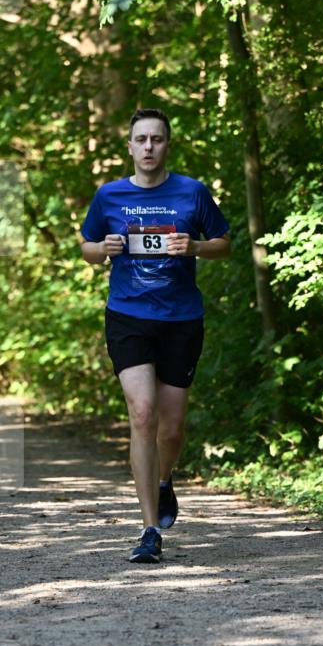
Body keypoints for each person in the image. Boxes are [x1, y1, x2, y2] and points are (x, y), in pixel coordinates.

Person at [79, 108, 231, 563]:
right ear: (129, 147)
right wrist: (100, 250)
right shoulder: (109, 196)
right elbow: (86, 247)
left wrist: (197, 246)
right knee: (142, 414)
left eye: (157, 140)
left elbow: (224, 242)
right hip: (128, 316)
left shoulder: (192, 192)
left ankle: (165, 479)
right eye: (141, 139)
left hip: (182, 318)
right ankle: (148, 530)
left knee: (171, 426)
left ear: (167, 145)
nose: (148, 147)